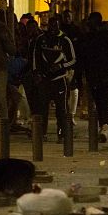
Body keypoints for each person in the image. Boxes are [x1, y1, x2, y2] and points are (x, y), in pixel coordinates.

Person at [31, 16, 76, 144]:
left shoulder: (65, 40)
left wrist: (61, 66)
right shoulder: (41, 39)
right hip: (44, 79)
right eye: (51, 25)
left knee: (61, 109)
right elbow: (35, 57)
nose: (53, 28)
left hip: (59, 79)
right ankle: (42, 133)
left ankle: (61, 133)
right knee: (42, 108)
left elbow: (73, 59)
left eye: (55, 26)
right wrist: (36, 73)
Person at [83, 12, 108, 142]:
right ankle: (102, 126)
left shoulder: (107, 36)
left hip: (105, 76)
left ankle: (105, 127)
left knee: (104, 101)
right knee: (98, 102)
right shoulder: (89, 37)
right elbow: (86, 56)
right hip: (93, 76)